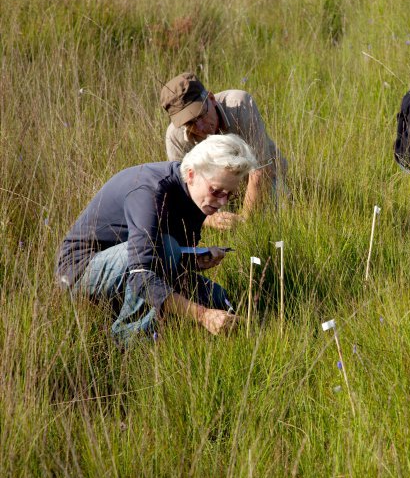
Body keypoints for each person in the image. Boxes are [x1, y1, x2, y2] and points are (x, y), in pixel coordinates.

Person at [55, 135, 258, 344]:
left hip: (135, 261)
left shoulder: (200, 198)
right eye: (216, 191)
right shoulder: (150, 191)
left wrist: (194, 261)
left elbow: (171, 259)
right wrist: (202, 315)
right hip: (81, 270)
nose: (222, 202)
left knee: (219, 298)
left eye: (229, 195)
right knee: (166, 249)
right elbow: (142, 275)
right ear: (191, 174)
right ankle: (127, 338)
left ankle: (160, 324)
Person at [160, 72, 288, 229]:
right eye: (190, 123)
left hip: (264, 181)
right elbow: (183, 191)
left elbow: (261, 170)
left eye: (201, 115)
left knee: (278, 213)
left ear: (211, 99)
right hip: (215, 192)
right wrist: (209, 220)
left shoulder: (239, 105)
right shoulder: (175, 136)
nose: (200, 127)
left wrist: (245, 221)